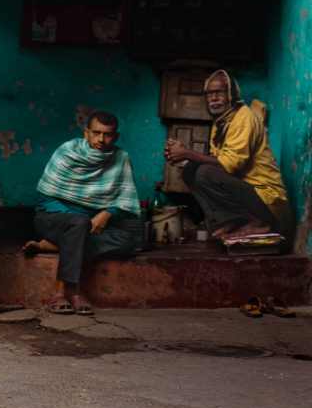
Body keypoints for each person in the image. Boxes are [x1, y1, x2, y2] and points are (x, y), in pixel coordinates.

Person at [24, 111, 142, 315]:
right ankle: (66, 290)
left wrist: (108, 212)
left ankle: (54, 246)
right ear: (86, 133)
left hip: (91, 222)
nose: (101, 140)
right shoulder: (68, 151)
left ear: (116, 137)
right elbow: (45, 197)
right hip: (53, 217)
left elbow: (125, 200)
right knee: (77, 224)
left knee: (133, 236)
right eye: (96, 133)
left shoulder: (120, 158)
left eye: (107, 134)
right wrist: (83, 220)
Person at [165, 69, 292, 243]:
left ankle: (261, 223)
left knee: (205, 173)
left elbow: (230, 165)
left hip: (267, 202)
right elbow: (216, 159)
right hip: (248, 194)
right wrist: (182, 156)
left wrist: (187, 152)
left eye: (219, 92)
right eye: (209, 94)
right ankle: (230, 221)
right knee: (190, 170)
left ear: (231, 94)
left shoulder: (244, 117)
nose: (213, 98)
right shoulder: (221, 122)